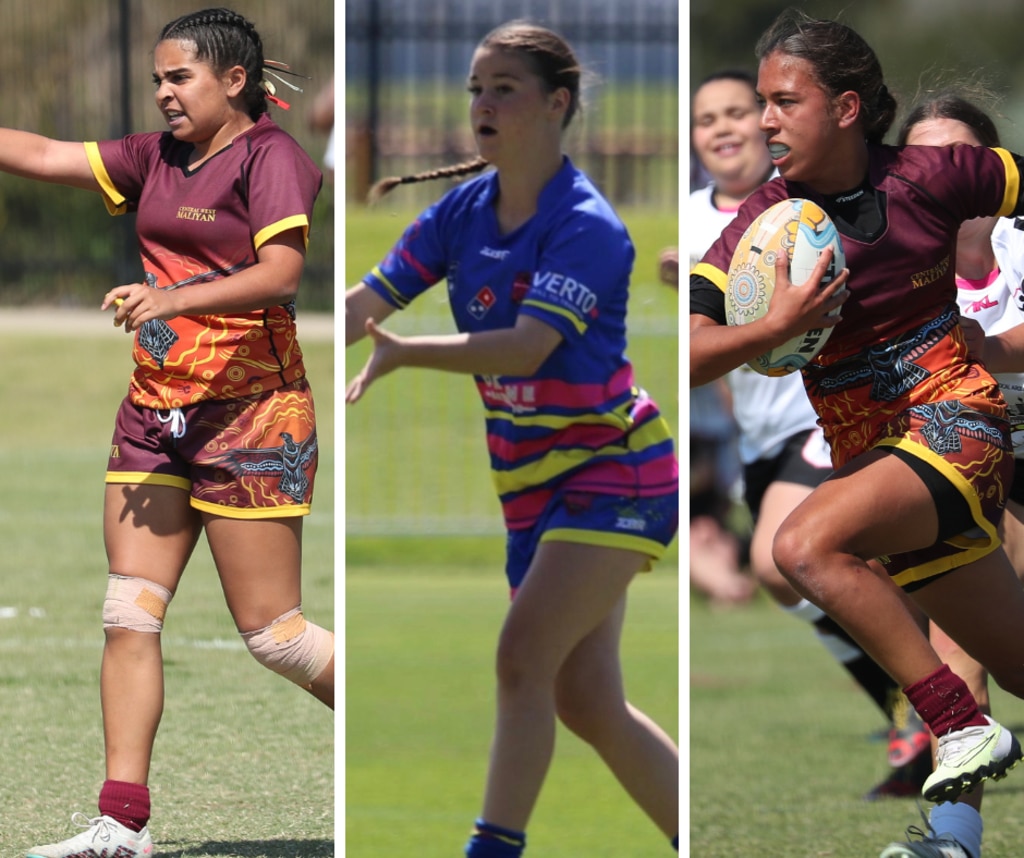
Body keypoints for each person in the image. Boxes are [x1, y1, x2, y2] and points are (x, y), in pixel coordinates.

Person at [690, 7, 1024, 852]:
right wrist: (770, 330)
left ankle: (954, 726)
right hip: (878, 455)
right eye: (761, 101)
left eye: (783, 100)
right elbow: (689, 353)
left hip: (957, 419)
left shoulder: (936, 174)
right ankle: (957, 824)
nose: (765, 119)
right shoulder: (759, 225)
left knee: (799, 548)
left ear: (844, 107)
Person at [345, 20, 680, 857]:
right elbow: (364, 305)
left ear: (556, 104)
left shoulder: (589, 226)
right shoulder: (462, 212)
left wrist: (404, 356)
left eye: (503, 89)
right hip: (530, 487)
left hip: (616, 471)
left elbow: (528, 345)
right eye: (475, 90)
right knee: (589, 701)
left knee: (521, 658)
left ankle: (490, 850)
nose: (482, 106)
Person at [6, 9, 334, 858]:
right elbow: (43, 154)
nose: (162, 92)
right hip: (156, 418)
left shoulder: (275, 159)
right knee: (128, 614)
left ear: (233, 81)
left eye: (178, 77)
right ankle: (121, 826)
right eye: (157, 78)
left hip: (254, 419)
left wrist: (172, 300)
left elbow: (283, 272)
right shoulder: (156, 157)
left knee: (276, 638)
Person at [689, 68, 930, 798]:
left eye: (743, 110)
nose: (727, 126)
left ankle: (924, 699)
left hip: (818, 418)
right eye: (708, 119)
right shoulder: (694, 223)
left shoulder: (803, 210)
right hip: (756, 439)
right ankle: (921, 695)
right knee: (813, 576)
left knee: (776, 558)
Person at [878, 91, 1024, 858]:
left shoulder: (1023, 239)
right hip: (963, 467)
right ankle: (953, 840)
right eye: (920, 162)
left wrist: (982, 349)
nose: (940, 178)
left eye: (956, 160)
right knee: (955, 648)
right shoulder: (890, 256)